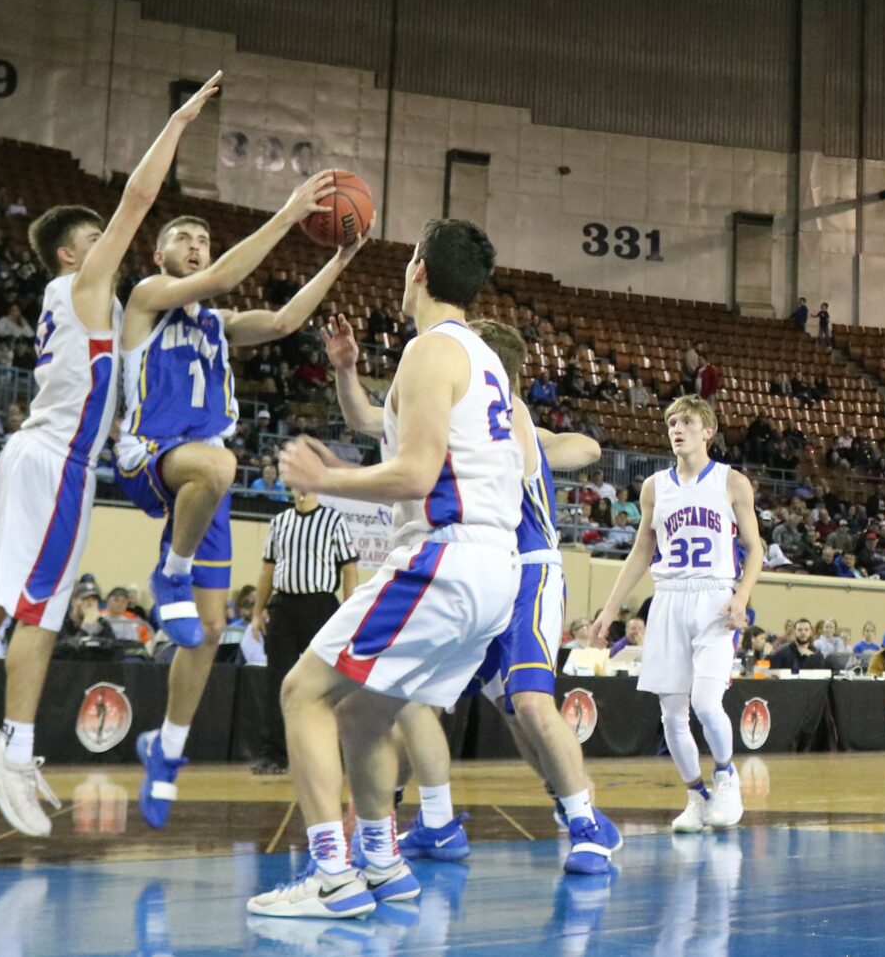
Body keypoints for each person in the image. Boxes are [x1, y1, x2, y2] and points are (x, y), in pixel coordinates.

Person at [0, 75, 220, 839]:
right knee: (39, 609)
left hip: (25, 454)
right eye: (98, 235)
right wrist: (177, 120)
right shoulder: (84, 280)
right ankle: (14, 747)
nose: (109, 238)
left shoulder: (65, 299)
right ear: (78, 249)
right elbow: (140, 201)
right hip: (59, 466)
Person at [258, 217, 517, 919]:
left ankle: (331, 877)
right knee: (366, 711)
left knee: (301, 694)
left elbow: (415, 471)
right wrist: (345, 372)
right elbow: (385, 426)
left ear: (421, 271)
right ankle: (381, 861)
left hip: (447, 555)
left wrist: (331, 477)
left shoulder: (430, 351)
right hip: (491, 571)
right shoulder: (480, 357)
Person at [119, 172, 363, 832]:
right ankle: (169, 569)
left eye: (203, 238)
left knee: (202, 632)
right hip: (151, 452)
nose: (196, 246)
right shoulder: (145, 300)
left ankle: (166, 748)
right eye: (185, 239)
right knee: (220, 460)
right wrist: (288, 213)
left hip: (206, 487)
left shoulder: (217, 326)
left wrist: (337, 259)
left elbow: (285, 320)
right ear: (160, 257)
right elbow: (223, 277)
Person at [386, 317, 621, 875]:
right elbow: (374, 418)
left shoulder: (507, 416)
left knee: (532, 703)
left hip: (528, 570)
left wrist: (548, 443)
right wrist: (347, 372)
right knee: (457, 707)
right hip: (479, 569)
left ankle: (586, 821)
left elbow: (583, 446)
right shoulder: (475, 416)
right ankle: (430, 821)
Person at [592, 394, 766, 835]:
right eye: (672, 421)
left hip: (714, 599)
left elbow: (755, 549)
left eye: (687, 421)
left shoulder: (732, 482)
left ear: (707, 431)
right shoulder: (655, 487)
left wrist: (742, 595)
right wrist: (609, 611)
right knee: (671, 714)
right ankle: (696, 796)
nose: (677, 428)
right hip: (668, 597)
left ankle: (726, 777)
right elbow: (640, 553)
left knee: (706, 703)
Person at [247, 483, 360, 775]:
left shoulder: (333, 520)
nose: (301, 491)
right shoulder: (279, 522)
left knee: (329, 682)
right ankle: (274, 754)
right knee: (278, 681)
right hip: (283, 607)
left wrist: (350, 613)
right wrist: (258, 612)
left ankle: (337, 751)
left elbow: (349, 569)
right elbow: (267, 570)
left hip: (320, 606)